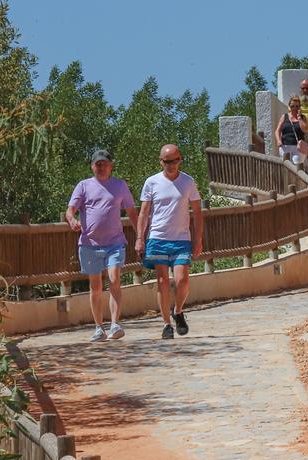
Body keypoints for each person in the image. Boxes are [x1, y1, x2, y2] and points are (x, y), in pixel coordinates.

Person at [65, 149, 139, 342]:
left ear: (111, 165)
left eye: (104, 163)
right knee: (96, 286)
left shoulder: (120, 185)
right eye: (97, 164)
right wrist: (72, 220)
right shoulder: (83, 186)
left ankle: (115, 324)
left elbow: (131, 211)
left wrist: (140, 234)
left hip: (115, 242)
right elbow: (70, 210)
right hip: (89, 244)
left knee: (114, 279)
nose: (101, 167)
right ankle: (99, 327)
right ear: (92, 166)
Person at [135, 144, 204, 339]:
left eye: (174, 160)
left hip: (181, 238)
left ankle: (178, 310)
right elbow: (144, 212)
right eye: (166, 161)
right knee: (162, 281)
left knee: (182, 280)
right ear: (161, 161)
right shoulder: (151, 182)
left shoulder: (188, 182)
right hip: (157, 237)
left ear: (180, 160)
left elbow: (198, 213)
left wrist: (198, 239)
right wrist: (140, 238)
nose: (171, 165)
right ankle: (166, 324)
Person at [275, 97, 308, 167]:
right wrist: (278, 140)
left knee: (296, 167)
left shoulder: (303, 117)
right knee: (286, 167)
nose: (294, 108)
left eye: (297, 106)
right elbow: (277, 130)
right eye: (292, 106)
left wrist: (299, 118)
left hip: (298, 147)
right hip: (285, 147)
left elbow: (305, 129)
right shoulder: (284, 116)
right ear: (289, 106)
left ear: (300, 107)